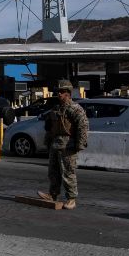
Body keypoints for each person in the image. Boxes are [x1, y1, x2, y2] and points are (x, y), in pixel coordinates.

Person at [37, 79, 89, 209]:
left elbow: (83, 126)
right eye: (58, 92)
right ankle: (53, 194)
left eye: (62, 92)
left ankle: (71, 198)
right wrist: (48, 140)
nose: (59, 94)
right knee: (53, 171)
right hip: (56, 144)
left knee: (68, 172)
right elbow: (50, 127)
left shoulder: (75, 109)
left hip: (68, 145)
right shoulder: (56, 108)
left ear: (68, 93)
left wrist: (80, 144)